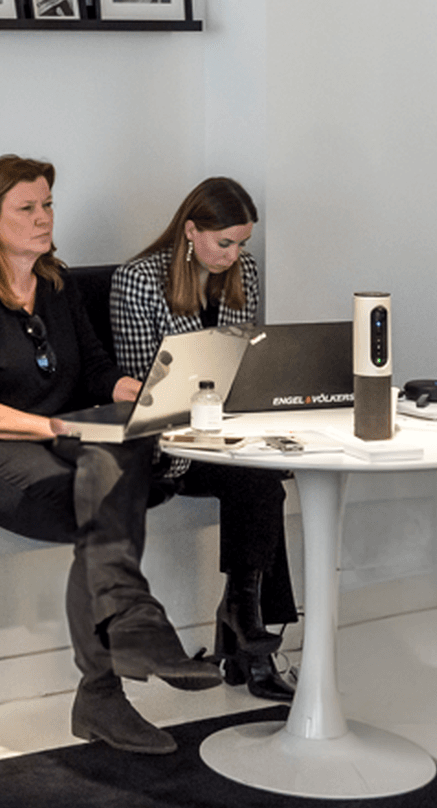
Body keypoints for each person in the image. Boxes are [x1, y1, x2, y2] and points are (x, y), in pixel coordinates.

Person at [0, 155, 220, 757]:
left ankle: (114, 671)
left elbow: (94, 369)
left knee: (123, 461)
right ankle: (119, 659)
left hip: (59, 438)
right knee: (103, 495)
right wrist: (52, 424)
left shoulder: (55, 284)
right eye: (27, 208)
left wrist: (139, 390)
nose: (43, 218)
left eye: (48, 205)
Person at [109, 176, 298, 700]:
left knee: (261, 476)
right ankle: (248, 629)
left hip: (227, 435)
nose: (234, 255)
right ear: (191, 230)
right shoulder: (138, 279)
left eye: (242, 244)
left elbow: (248, 365)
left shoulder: (246, 273)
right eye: (225, 243)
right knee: (261, 483)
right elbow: (142, 386)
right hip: (168, 446)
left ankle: (244, 615)